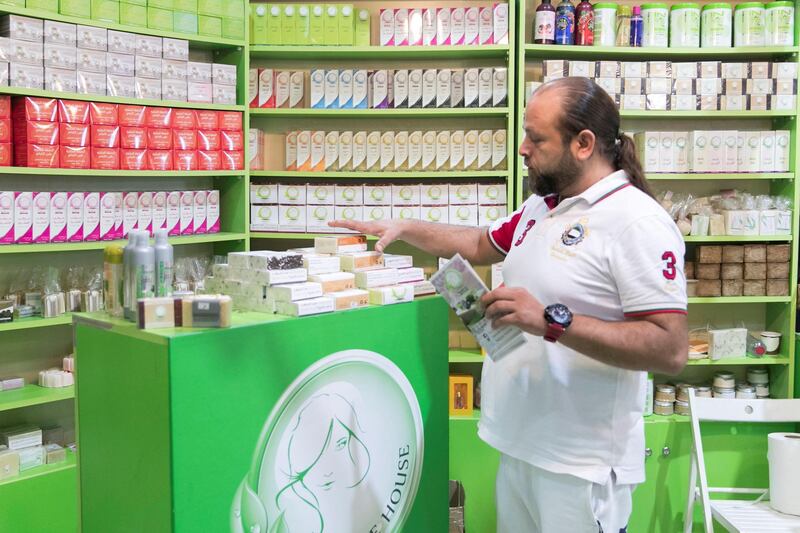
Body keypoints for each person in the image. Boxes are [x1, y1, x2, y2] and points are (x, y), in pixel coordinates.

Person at [330, 76, 688, 533]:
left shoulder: (635, 221)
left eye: (535, 138)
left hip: (581, 466)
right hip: (520, 444)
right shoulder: (543, 207)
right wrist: (403, 227)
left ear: (583, 143)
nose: (522, 148)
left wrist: (550, 321)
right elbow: (480, 242)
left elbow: (669, 348)